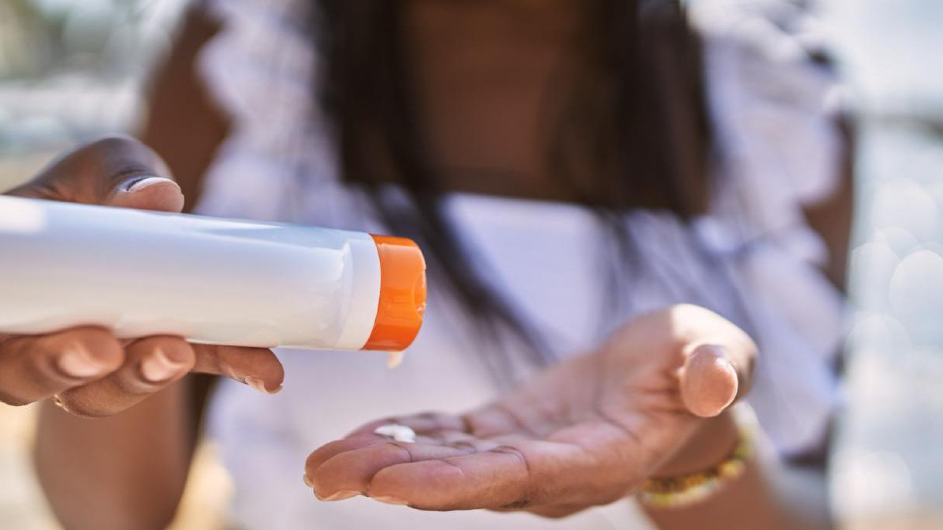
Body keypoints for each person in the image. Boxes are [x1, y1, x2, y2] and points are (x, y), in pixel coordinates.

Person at [0, 0, 852, 528]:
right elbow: (110, 518)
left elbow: (804, 518)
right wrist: (102, 323)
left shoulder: (773, 98)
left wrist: (693, 441)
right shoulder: (252, 53)